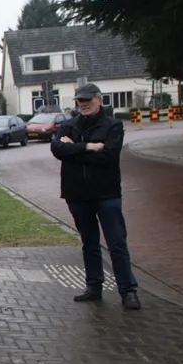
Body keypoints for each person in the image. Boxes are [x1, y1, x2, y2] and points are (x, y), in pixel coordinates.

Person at [50, 83, 140, 309]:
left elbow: (109, 156)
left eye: (88, 99)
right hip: (77, 194)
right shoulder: (68, 125)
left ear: (99, 100)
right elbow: (57, 150)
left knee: (116, 242)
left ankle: (128, 290)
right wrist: (89, 147)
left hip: (106, 193)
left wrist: (75, 150)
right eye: (80, 100)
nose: (84, 104)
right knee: (89, 242)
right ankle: (94, 286)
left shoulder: (113, 125)